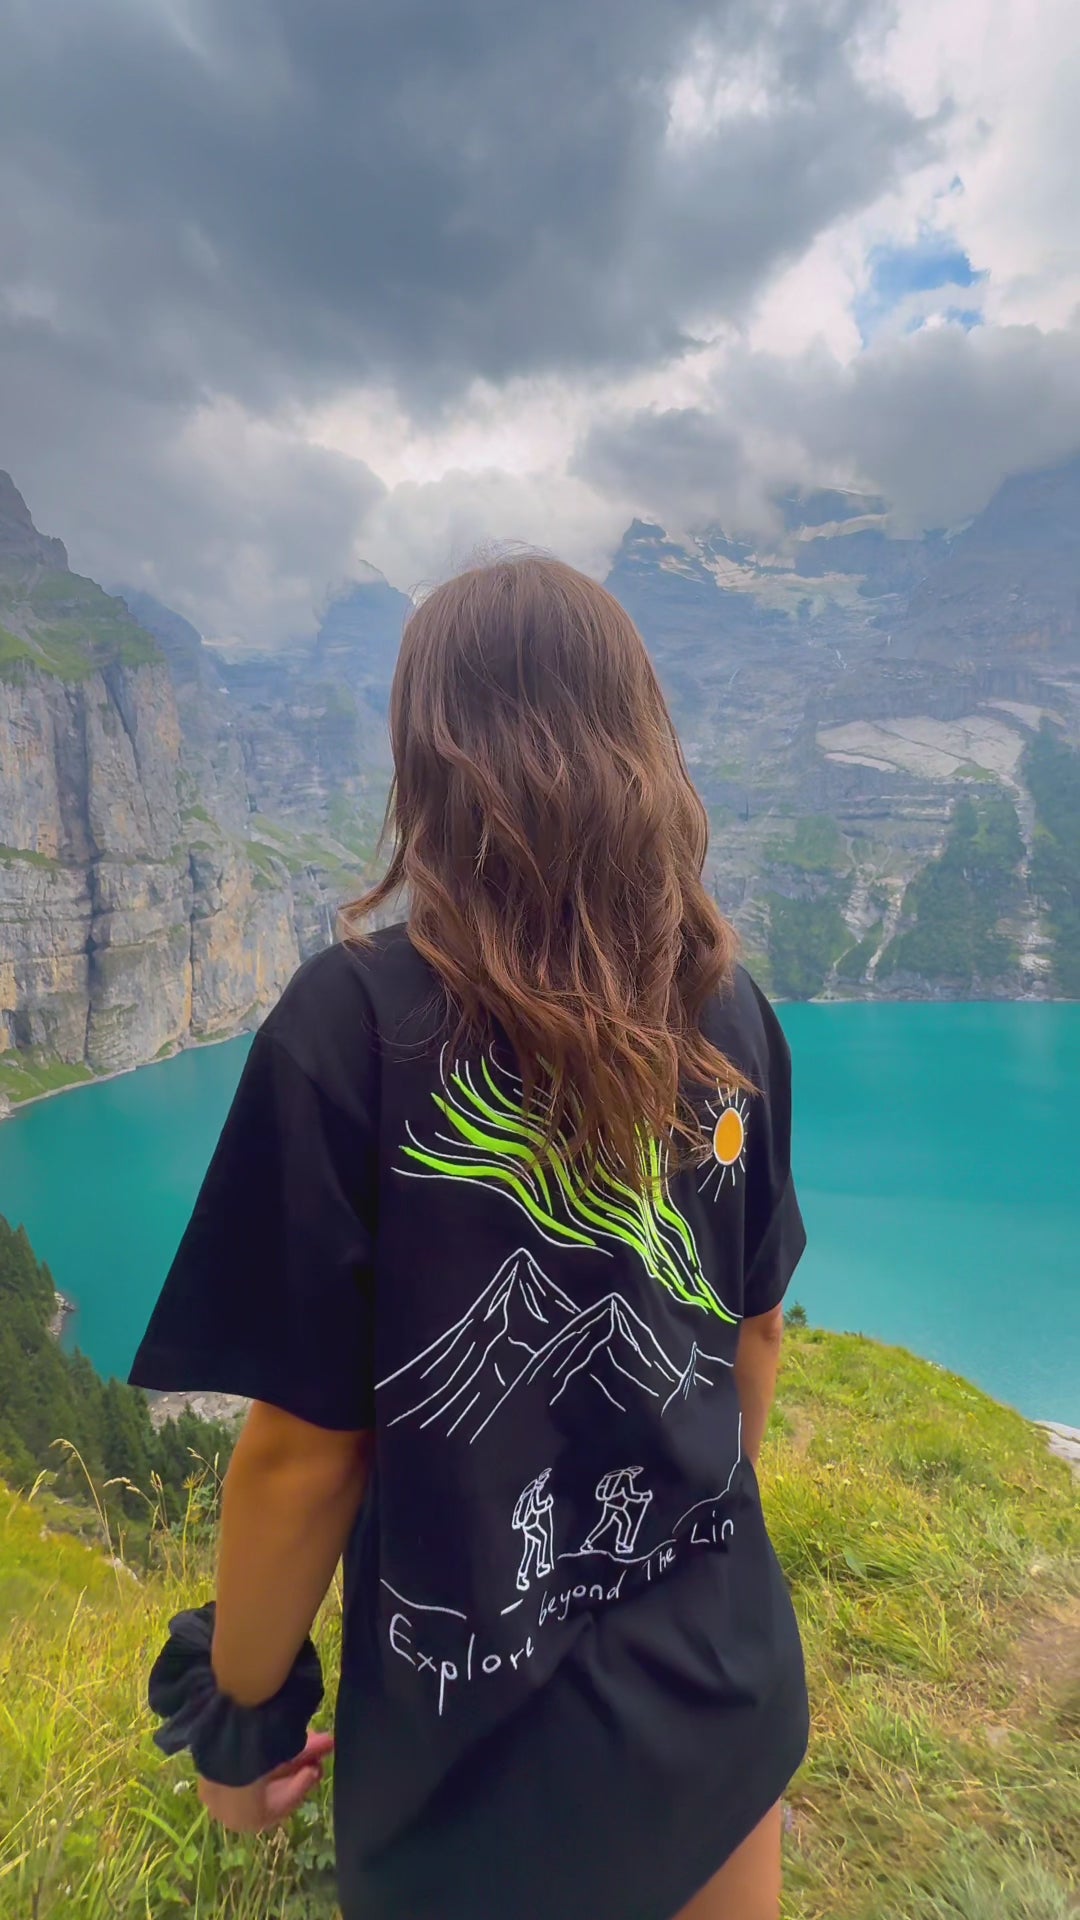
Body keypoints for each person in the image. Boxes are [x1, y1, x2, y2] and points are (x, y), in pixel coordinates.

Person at [130, 553, 809, 1920]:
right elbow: (753, 1335)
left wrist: (242, 1725)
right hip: (720, 1697)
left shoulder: (350, 1029)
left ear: (430, 765)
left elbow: (303, 1457)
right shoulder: (726, 1014)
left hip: (470, 1770)